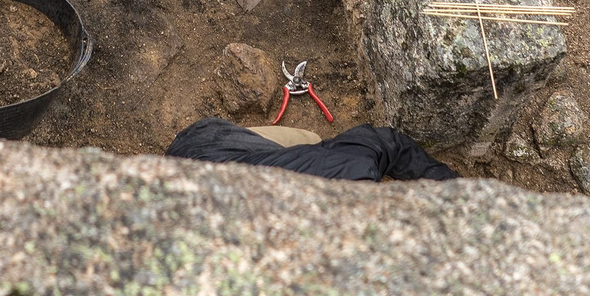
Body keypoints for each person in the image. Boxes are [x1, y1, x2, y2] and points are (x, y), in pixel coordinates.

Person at [166, 116, 459, 182]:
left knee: (309, 138)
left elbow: (386, 143)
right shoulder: (353, 171)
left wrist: (451, 188)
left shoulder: (354, 169)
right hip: (203, 150)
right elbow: (387, 143)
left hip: (199, 152)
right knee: (310, 138)